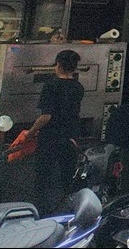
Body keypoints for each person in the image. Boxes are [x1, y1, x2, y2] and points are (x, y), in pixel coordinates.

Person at [28, 49, 85, 213]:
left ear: (58, 65)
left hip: (50, 138)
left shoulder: (51, 86)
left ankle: (42, 213)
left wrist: (30, 133)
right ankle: (69, 212)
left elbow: (46, 116)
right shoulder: (78, 87)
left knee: (43, 178)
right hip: (70, 138)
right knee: (67, 178)